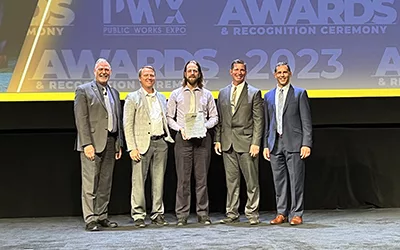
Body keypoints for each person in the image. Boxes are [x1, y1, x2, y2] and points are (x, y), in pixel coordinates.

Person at [166, 60, 218, 226]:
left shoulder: (207, 94)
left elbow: (214, 117)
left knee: (202, 179)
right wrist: (180, 129)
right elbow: (169, 117)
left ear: (199, 74)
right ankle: (182, 215)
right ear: (185, 73)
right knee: (183, 180)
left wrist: (205, 126)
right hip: (184, 139)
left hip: (203, 140)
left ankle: (203, 214)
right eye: (189, 70)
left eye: (195, 70)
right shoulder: (176, 94)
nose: (192, 73)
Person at [74, 58, 123, 231]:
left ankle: (102, 216)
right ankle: (90, 219)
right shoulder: (83, 90)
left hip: (110, 142)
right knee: (90, 183)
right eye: (101, 69)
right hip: (92, 144)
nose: (104, 72)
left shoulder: (114, 92)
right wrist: (86, 143)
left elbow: (117, 119)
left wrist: (118, 143)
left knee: (105, 183)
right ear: (95, 71)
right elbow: (81, 119)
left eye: (107, 69)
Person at [123, 65, 174, 228]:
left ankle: (157, 213)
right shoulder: (132, 98)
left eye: (152, 75)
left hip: (161, 143)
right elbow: (127, 124)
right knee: (138, 181)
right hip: (141, 144)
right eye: (146, 75)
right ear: (140, 78)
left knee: (158, 181)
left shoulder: (162, 97)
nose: (149, 77)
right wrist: (132, 147)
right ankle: (138, 214)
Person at [214, 59, 264, 225]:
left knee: (251, 181)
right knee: (231, 182)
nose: (239, 73)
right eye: (236, 69)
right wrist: (217, 140)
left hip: (247, 142)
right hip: (227, 143)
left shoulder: (254, 93)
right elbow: (220, 120)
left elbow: (258, 120)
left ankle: (252, 214)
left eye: (242, 70)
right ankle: (232, 213)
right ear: (230, 72)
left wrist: (256, 142)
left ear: (246, 72)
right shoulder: (222, 93)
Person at [263, 62, 312, 226]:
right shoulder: (269, 96)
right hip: (275, 144)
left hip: (295, 143)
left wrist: (306, 144)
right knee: (279, 181)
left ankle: (297, 213)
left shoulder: (299, 93)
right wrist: (265, 144)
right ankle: (281, 213)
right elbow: (267, 123)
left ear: (290, 74)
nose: (282, 75)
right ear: (275, 75)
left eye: (285, 72)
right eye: (279, 72)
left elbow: (306, 122)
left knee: (296, 180)